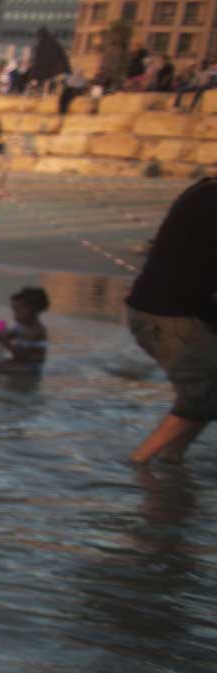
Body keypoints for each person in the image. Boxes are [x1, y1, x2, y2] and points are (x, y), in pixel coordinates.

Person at [126, 177, 217, 463]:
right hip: (171, 316)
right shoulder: (209, 197)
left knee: (207, 393)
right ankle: (140, 464)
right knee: (202, 396)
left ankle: (172, 458)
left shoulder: (204, 189)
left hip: (170, 310)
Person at [0, 288, 48, 373]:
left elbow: (22, 356)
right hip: (20, 362)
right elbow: (8, 336)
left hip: (32, 367)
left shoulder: (36, 331)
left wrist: (4, 341)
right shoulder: (20, 326)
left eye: (19, 311)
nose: (15, 315)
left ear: (34, 311)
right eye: (14, 310)